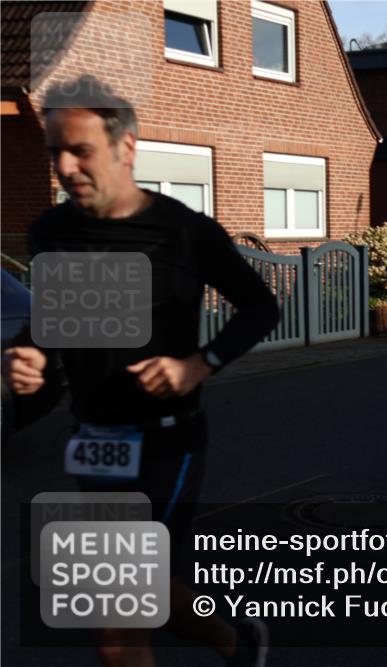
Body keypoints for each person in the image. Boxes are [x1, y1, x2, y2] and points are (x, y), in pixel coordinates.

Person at [1, 76, 279, 667]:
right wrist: (30, 358)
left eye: (81, 150)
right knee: (141, 595)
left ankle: (231, 639)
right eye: (55, 151)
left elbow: (261, 305)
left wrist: (198, 364)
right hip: (91, 439)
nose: (65, 166)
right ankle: (236, 639)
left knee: (118, 621)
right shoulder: (52, 232)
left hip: (166, 443)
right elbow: (57, 322)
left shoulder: (184, 231)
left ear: (126, 148)